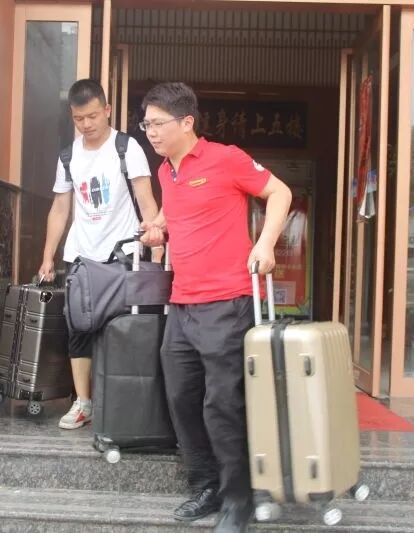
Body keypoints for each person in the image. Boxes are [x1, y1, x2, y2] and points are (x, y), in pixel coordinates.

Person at [139, 82, 292, 533]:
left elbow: (280, 193)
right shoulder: (166, 171)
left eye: (158, 124)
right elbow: (175, 213)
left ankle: (238, 499)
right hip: (182, 305)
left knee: (222, 403)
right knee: (181, 398)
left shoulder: (226, 159)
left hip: (227, 302)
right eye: (146, 124)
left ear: (187, 122)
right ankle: (206, 485)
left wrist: (265, 243)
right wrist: (158, 228)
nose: (151, 132)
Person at [38, 79, 161, 430]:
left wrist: (157, 247)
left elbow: (146, 201)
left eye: (92, 116)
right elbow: (60, 208)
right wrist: (48, 256)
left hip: (123, 254)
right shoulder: (68, 156)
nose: (87, 124)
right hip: (81, 256)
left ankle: (120, 402)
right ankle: (84, 402)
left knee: (123, 328)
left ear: (107, 110)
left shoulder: (127, 147)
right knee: (78, 327)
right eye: (79, 119)